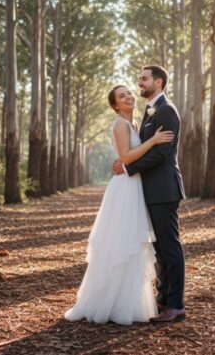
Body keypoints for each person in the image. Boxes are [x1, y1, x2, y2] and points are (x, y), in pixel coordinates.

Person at [64, 84, 174, 325]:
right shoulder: (121, 125)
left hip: (135, 185)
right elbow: (125, 158)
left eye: (129, 93)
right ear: (115, 105)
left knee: (132, 242)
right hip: (124, 187)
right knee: (121, 242)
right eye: (121, 96)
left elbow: (131, 158)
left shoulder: (134, 124)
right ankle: (108, 301)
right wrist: (155, 140)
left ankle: (130, 300)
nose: (128, 97)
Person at [113, 65, 186, 324]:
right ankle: (164, 298)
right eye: (139, 79)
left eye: (144, 79)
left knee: (170, 248)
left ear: (159, 81)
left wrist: (128, 167)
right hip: (150, 191)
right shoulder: (149, 112)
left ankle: (176, 305)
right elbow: (143, 148)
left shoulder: (166, 110)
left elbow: (160, 153)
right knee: (159, 250)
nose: (140, 83)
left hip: (164, 189)